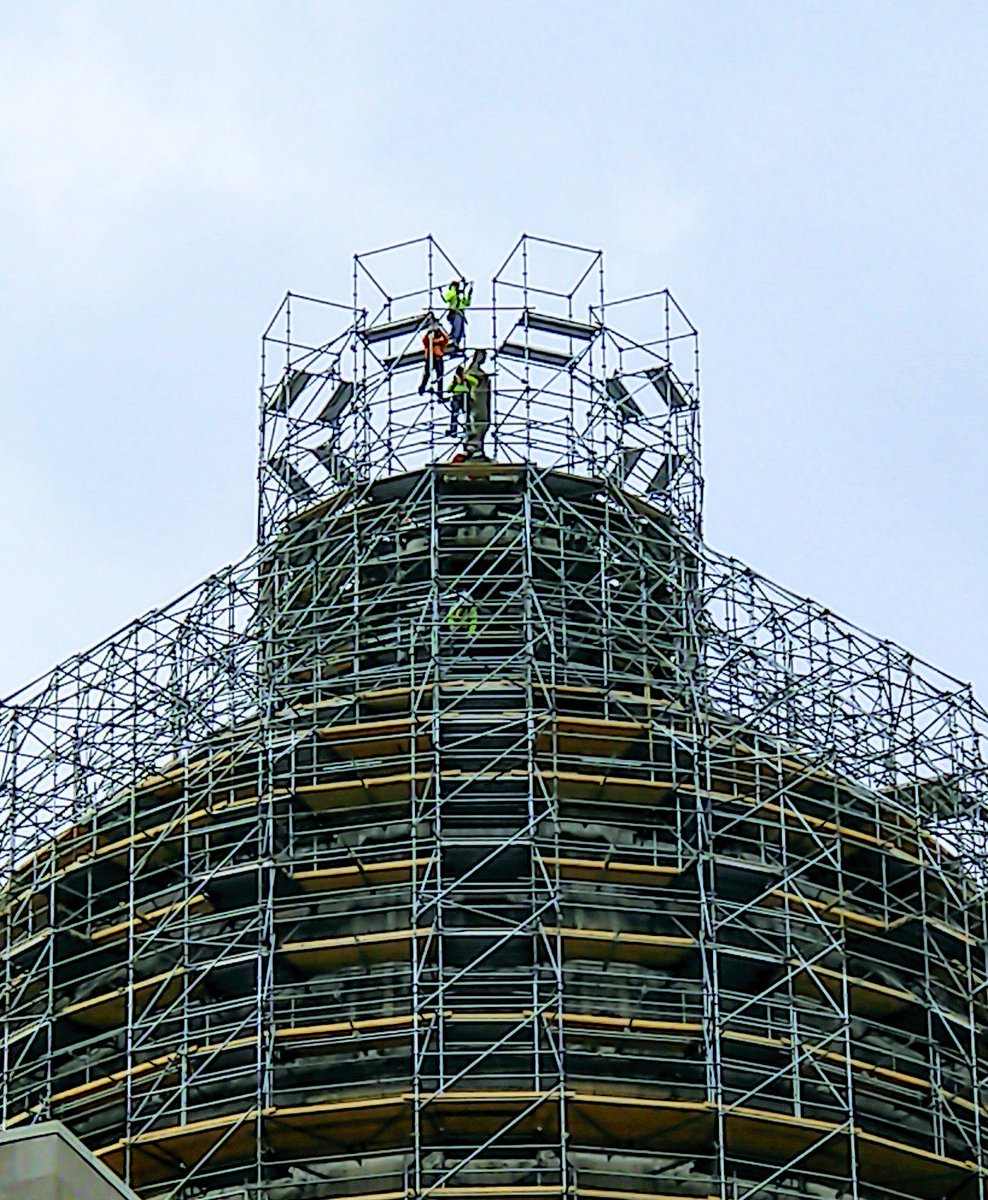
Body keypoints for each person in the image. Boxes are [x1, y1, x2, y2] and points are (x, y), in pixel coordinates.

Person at [462, 349, 491, 459]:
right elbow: (471, 378)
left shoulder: (477, 370)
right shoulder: (472, 370)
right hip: (476, 399)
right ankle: (473, 446)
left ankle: (477, 446)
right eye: (482, 357)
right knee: (479, 422)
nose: (483, 360)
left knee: (484, 422)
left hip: (482, 399)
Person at [418, 322, 449, 396]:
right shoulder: (429, 339)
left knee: (440, 375)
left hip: (438, 357)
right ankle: (422, 388)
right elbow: (424, 341)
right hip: (430, 357)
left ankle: (439, 392)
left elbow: (446, 339)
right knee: (427, 374)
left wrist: (440, 331)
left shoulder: (440, 339)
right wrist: (429, 332)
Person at [444, 279, 473, 351]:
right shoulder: (451, 294)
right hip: (454, 313)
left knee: (460, 330)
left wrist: (469, 292)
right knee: (456, 328)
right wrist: (453, 288)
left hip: (460, 313)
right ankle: (453, 340)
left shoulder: (459, 297)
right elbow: (447, 298)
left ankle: (456, 343)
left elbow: (467, 303)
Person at [447, 362, 474, 436]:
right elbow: (448, 389)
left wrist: (466, 378)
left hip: (465, 397)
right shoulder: (456, 381)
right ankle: (453, 430)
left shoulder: (466, 378)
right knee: (455, 414)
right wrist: (453, 383)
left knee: (467, 414)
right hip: (456, 397)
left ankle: (469, 429)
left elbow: (475, 382)